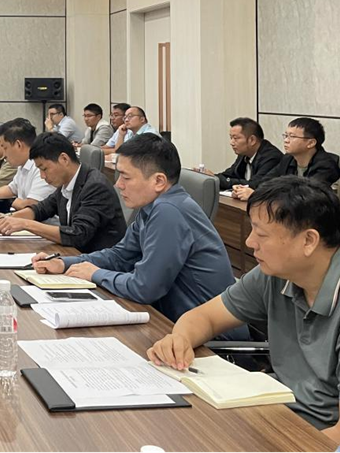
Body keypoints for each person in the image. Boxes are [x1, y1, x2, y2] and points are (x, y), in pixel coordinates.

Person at [147, 177, 340, 443]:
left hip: (314, 437)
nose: (250, 242)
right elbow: (205, 317)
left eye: (261, 234)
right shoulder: (276, 273)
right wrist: (180, 339)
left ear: (308, 240)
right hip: (272, 414)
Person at [35, 134, 245, 336]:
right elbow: (119, 255)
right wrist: (64, 263)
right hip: (175, 325)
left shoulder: (169, 212)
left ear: (159, 181)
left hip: (212, 340)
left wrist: (95, 273)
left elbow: (144, 288)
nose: (118, 184)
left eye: (126, 177)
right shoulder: (152, 207)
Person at [0, 133, 124, 253]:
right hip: (76, 255)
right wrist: (9, 218)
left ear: (64, 159)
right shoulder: (67, 182)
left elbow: (77, 235)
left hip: (98, 263)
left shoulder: (95, 186)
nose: (42, 176)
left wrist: (25, 224)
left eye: (44, 169)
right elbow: (41, 209)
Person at [235, 117, 340, 201]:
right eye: (285, 135)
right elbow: (266, 181)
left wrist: (256, 195)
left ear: (311, 143)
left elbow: (307, 198)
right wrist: (242, 189)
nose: (286, 140)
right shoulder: (288, 159)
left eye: (292, 136)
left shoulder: (326, 166)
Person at [195, 117, 282, 190]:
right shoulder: (244, 154)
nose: (231, 143)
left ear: (252, 140)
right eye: (231, 138)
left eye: (236, 138)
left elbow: (255, 184)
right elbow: (229, 174)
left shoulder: (271, 157)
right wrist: (210, 177)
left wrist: (218, 179)